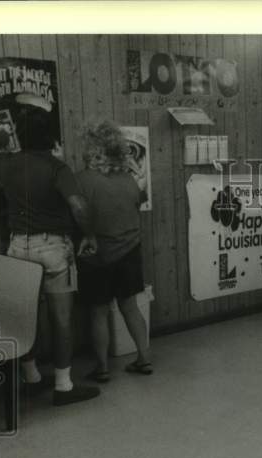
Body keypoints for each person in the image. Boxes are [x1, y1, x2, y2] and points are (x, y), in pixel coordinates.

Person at [0, 103, 100, 406]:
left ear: (21, 136)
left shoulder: (5, 164)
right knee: (61, 319)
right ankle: (63, 385)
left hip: (18, 246)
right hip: (54, 247)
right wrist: (90, 235)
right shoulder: (57, 168)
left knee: (23, 315)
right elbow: (79, 207)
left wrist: (0, 140)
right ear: (51, 138)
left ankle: (31, 377)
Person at [76, 120, 153, 380]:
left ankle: (102, 368)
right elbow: (136, 202)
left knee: (98, 311)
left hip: (97, 256)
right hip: (130, 251)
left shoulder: (83, 180)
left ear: (92, 149)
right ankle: (143, 358)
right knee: (130, 306)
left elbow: (77, 213)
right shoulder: (129, 180)